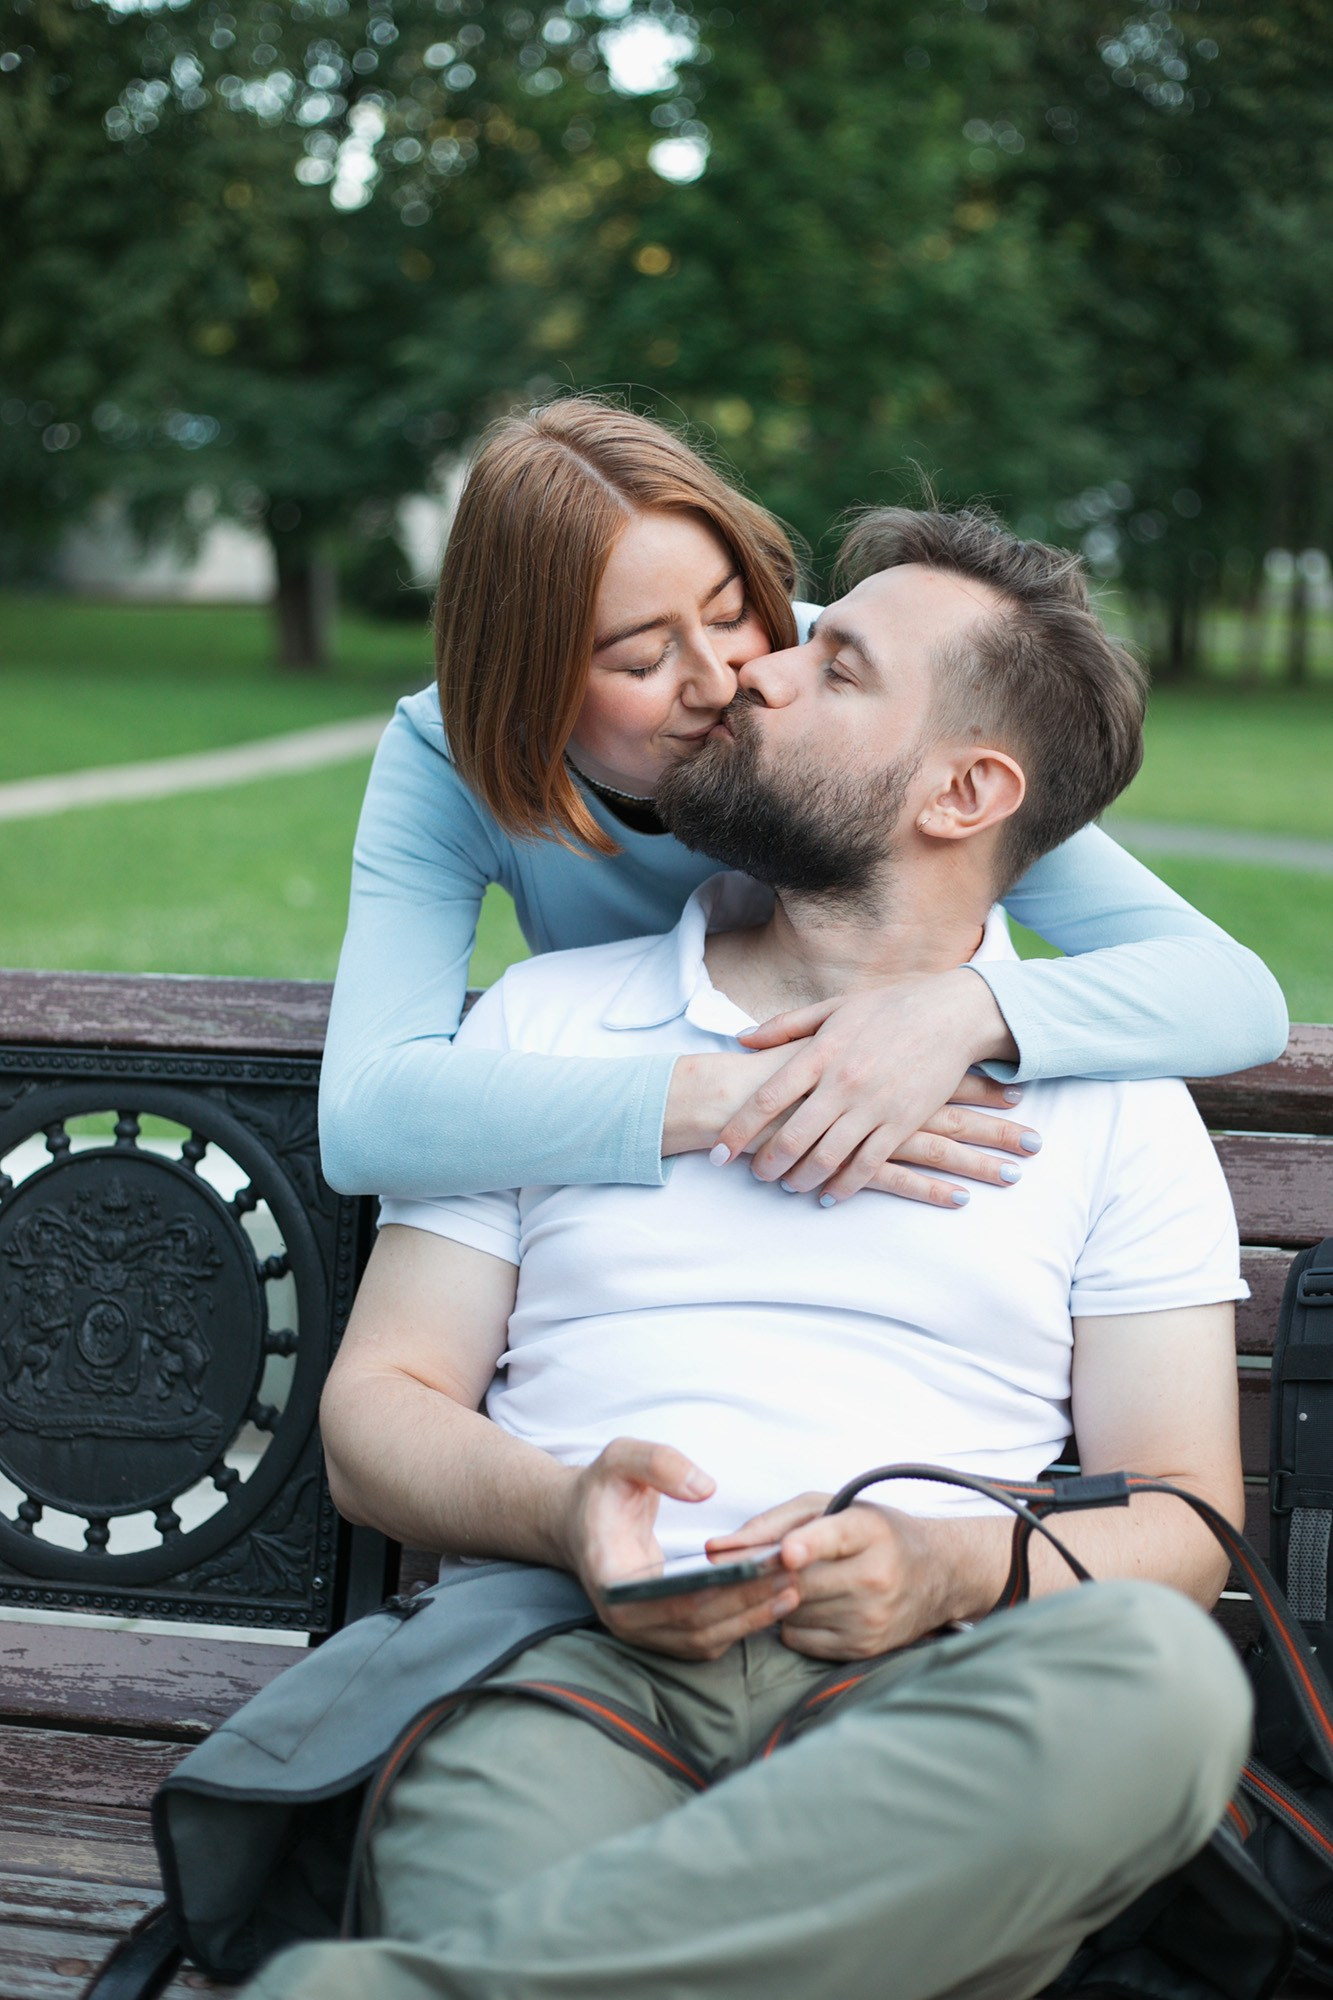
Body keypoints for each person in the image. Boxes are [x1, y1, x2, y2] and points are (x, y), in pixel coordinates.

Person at [244, 505, 1253, 2000]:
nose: (750, 676)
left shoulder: (1111, 1097)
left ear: (968, 789)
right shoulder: (539, 1037)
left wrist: (942, 1569)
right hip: (570, 1675)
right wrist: (568, 1508)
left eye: (826, 660)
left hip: (942, 1687)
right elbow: (376, 1422)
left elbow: (1181, 1518)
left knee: (1164, 1687)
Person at [317, 397, 1287, 1214]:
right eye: (642, 658)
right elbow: (366, 1112)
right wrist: (742, 1093)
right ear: (528, 686)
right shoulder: (453, 752)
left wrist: (958, 1013)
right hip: (652, 1195)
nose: (725, 677)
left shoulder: (835, 708)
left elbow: (1228, 991)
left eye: (733, 609)